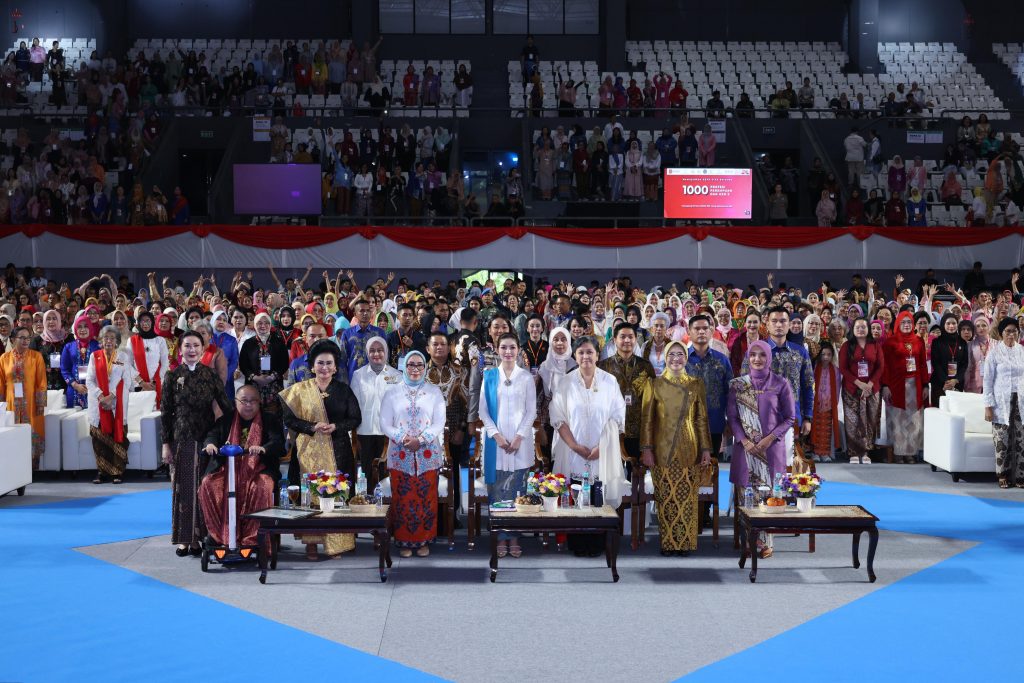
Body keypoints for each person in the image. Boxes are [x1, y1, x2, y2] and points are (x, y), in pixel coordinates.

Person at [279, 340, 362, 560]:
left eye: (329, 363)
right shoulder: (300, 390)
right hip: (307, 452)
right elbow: (289, 419)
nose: (324, 367)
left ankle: (338, 542)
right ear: (312, 366)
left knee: (337, 494)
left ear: (335, 367)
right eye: (320, 363)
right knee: (310, 496)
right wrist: (311, 427)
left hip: (338, 450)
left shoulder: (343, 390)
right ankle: (311, 543)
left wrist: (336, 426)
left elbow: (355, 418)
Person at [549, 336, 627, 557]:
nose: (585, 356)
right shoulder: (565, 383)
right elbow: (558, 417)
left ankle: (598, 543)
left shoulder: (610, 381)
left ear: (597, 355)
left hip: (602, 451)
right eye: (581, 352)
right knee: (576, 494)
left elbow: (617, 417)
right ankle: (577, 542)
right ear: (575, 356)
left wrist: (602, 448)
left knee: (598, 495)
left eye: (590, 352)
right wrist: (575, 446)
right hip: (573, 450)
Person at [161, 330, 233, 557]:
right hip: (182, 439)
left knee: (204, 488)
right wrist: (165, 444)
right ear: (180, 350)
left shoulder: (210, 375)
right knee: (184, 489)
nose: (191, 350)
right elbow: (166, 413)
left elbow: (226, 406)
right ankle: (185, 539)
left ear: (203, 349)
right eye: (187, 346)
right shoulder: (172, 376)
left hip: (207, 439)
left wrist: (237, 427)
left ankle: (203, 536)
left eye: (196, 346)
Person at [640, 340, 712, 556]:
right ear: (665, 358)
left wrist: (706, 449)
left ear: (686, 358)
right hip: (662, 448)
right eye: (671, 354)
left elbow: (701, 419)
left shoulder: (695, 384)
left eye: (680, 354)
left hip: (690, 447)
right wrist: (646, 449)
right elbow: (647, 421)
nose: (676, 359)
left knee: (687, 498)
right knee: (666, 497)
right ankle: (669, 542)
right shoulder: (654, 384)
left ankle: (686, 543)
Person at [727, 340, 796, 558]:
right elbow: (733, 418)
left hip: (771, 450)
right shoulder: (737, 384)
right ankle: (748, 541)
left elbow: (790, 417)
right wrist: (744, 441)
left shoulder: (781, 383)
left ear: (769, 357)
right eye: (753, 354)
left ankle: (767, 542)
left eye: (762, 355)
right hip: (745, 451)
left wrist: (770, 438)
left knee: (769, 497)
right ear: (748, 357)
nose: (757, 359)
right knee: (747, 496)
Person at [199, 383, 284, 548]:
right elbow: (212, 435)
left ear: (259, 402)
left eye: (253, 401)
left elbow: (278, 443)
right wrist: (210, 444)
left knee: (262, 486)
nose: (248, 405)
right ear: (236, 402)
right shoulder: (226, 420)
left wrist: (263, 448)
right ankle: (217, 534)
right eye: (244, 401)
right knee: (208, 484)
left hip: (260, 469)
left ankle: (254, 537)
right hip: (228, 469)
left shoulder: (269, 420)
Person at [379, 350, 446, 558]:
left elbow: (439, 422)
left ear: (425, 367)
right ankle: (404, 541)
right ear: (404, 367)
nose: (415, 369)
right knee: (403, 499)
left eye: (419, 365)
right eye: (411, 364)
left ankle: (424, 541)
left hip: (428, 455)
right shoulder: (392, 392)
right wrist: (404, 438)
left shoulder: (434, 392)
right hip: (400, 455)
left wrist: (422, 439)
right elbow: (385, 424)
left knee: (427, 498)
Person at [479, 333, 537, 558]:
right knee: (498, 491)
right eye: (503, 347)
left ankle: (514, 537)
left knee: (518, 491)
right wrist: (497, 436)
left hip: (520, 444)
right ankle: (500, 537)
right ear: (497, 349)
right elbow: (483, 411)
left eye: (512, 347)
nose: (508, 351)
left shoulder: (526, 378)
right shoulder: (489, 376)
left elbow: (531, 411)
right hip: (497, 444)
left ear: (518, 349)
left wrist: (519, 437)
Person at [350, 336, 402, 491]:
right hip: (364, 432)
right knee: (367, 473)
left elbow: (400, 406)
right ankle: (368, 503)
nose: (376, 354)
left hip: (388, 433)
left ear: (386, 351)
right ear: (367, 353)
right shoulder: (358, 375)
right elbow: (354, 405)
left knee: (386, 473)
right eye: (372, 350)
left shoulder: (397, 376)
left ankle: (386, 503)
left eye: (380, 350)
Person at [426, 331, 470, 510]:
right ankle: (430, 514)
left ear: (449, 348)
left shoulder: (460, 371)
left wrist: (461, 429)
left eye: (443, 344)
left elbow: (468, 403)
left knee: (452, 470)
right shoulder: (420, 371)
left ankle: (452, 516)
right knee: (429, 472)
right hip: (426, 432)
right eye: (435, 344)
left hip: (453, 429)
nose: (439, 347)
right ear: (428, 348)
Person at [85, 326, 136, 485]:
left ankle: (117, 472)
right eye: (105, 338)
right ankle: (102, 472)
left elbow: (126, 380)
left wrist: (111, 397)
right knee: (99, 441)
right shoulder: (94, 356)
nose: (108, 341)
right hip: (98, 404)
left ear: (117, 341)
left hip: (117, 404)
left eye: (112, 338)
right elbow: (89, 380)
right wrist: (101, 397)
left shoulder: (123, 356)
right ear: (101, 341)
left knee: (118, 439)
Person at [881, 311, 929, 464]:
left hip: (915, 384)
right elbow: (885, 365)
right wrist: (885, 385)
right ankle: (898, 452)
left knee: (913, 419)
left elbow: (922, 364)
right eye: (903, 322)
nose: (907, 325)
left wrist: (925, 385)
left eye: (909, 322)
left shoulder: (919, 341)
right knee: (898, 419)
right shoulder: (890, 342)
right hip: (896, 385)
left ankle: (910, 452)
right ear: (897, 324)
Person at [983, 317, 1024, 488]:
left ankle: (1020, 475)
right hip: (1001, 402)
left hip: (1021, 401)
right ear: (1001, 333)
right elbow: (987, 381)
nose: (1011, 334)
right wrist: (988, 406)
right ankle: (1002, 474)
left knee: (1021, 439)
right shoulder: (994, 353)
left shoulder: (1022, 351)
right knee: (1002, 439)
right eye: (1008, 331)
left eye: (1014, 331)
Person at [684, 314, 731, 461]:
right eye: (697, 328)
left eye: (705, 328)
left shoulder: (722, 360)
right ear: (689, 331)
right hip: (687, 424)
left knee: (711, 466)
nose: (701, 332)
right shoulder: (681, 360)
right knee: (688, 466)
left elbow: (730, 393)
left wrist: (730, 420)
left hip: (714, 423)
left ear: (711, 331)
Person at [838, 318, 884, 464]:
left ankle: (865, 452)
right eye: (857, 327)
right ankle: (853, 452)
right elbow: (843, 368)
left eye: (863, 327)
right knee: (852, 421)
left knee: (870, 420)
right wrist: (859, 383)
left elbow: (880, 367)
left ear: (868, 329)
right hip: (851, 388)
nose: (860, 329)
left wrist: (869, 384)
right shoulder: (846, 346)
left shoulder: (875, 345)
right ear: (853, 329)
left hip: (872, 389)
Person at [0, 325, 47, 467]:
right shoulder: (4, 358)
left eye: (28, 338)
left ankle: (32, 468)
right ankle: (14, 468)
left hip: (32, 404)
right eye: (22, 338)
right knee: (12, 433)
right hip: (10, 404)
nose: (26, 341)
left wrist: (40, 404)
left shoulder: (36, 356)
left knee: (32, 431)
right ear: (13, 340)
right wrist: (1, 406)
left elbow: (41, 382)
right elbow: (1, 384)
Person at [239, 311, 289, 416]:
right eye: (259, 323)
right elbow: (243, 365)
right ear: (254, 325)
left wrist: (271, 377)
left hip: (274, 387)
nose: (263, 326)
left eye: (266, 323)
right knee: (254, 417)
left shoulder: (279, 342)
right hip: (253, 386)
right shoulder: (248, 343)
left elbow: (284, 363)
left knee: (273, 418)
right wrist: (255, 378)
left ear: (270, 325)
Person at [809, 342, 841, 462]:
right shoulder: (814, 367)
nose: (826, 357)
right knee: (815, 428)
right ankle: (815, 453)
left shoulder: (835, 371)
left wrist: (833, 402)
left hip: (828, 404)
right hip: (815, 403)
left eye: (829, 354)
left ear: (832, 356)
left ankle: (825, 453)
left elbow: (837, 388)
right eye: (823, 354)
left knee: (826, 430)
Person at [130, 311, 169, 405]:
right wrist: (142, 383)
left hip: (156, 385)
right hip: (137, 385)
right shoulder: (131, 340)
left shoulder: (160, 340)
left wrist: (155, 382)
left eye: (148, 320)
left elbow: (165, 363)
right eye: (142, 321)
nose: (145, 323)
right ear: (138, 323)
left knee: (155, 411)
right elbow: (128, 364)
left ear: (152, 322)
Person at [60, 315, 99, 410]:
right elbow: (64, 370)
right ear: (75, 329)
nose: (83, 329)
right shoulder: (68, 347)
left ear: (90, 328)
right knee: (74, 418)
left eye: (86, 326)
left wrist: (92, 385)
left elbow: (102, 369)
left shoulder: (98, 346)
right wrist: (76, 385)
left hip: (94, 389)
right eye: (79, 327)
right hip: (74, 389)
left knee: (93, 416)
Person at [929, 313, 968, 406]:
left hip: (957, 383)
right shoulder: (937, 342)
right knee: (939, 409)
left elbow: (964, 363)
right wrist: (946, 380)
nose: (951, 326)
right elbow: (935, 363)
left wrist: (956, 380)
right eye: (948, 323)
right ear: (943, 324)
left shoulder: (962, 342)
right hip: (939, 383)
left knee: (955, 409)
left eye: (954, 323)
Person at [32, 309, 72, 394]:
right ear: (44, 322)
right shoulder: (37, 341)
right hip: (43, 386)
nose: (51, 321)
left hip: (66, 384)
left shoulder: (69, 339)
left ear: (59, 321)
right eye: (48, 319)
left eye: (54, 318)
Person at [964, 314, 992, 394]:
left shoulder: (996, 344)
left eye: (984, 325)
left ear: (988, 327)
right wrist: (966, 384)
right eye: (978, 326)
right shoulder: (970, 344)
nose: (981, 328)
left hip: (992, 382)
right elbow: (968, 366)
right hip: (975, 382)